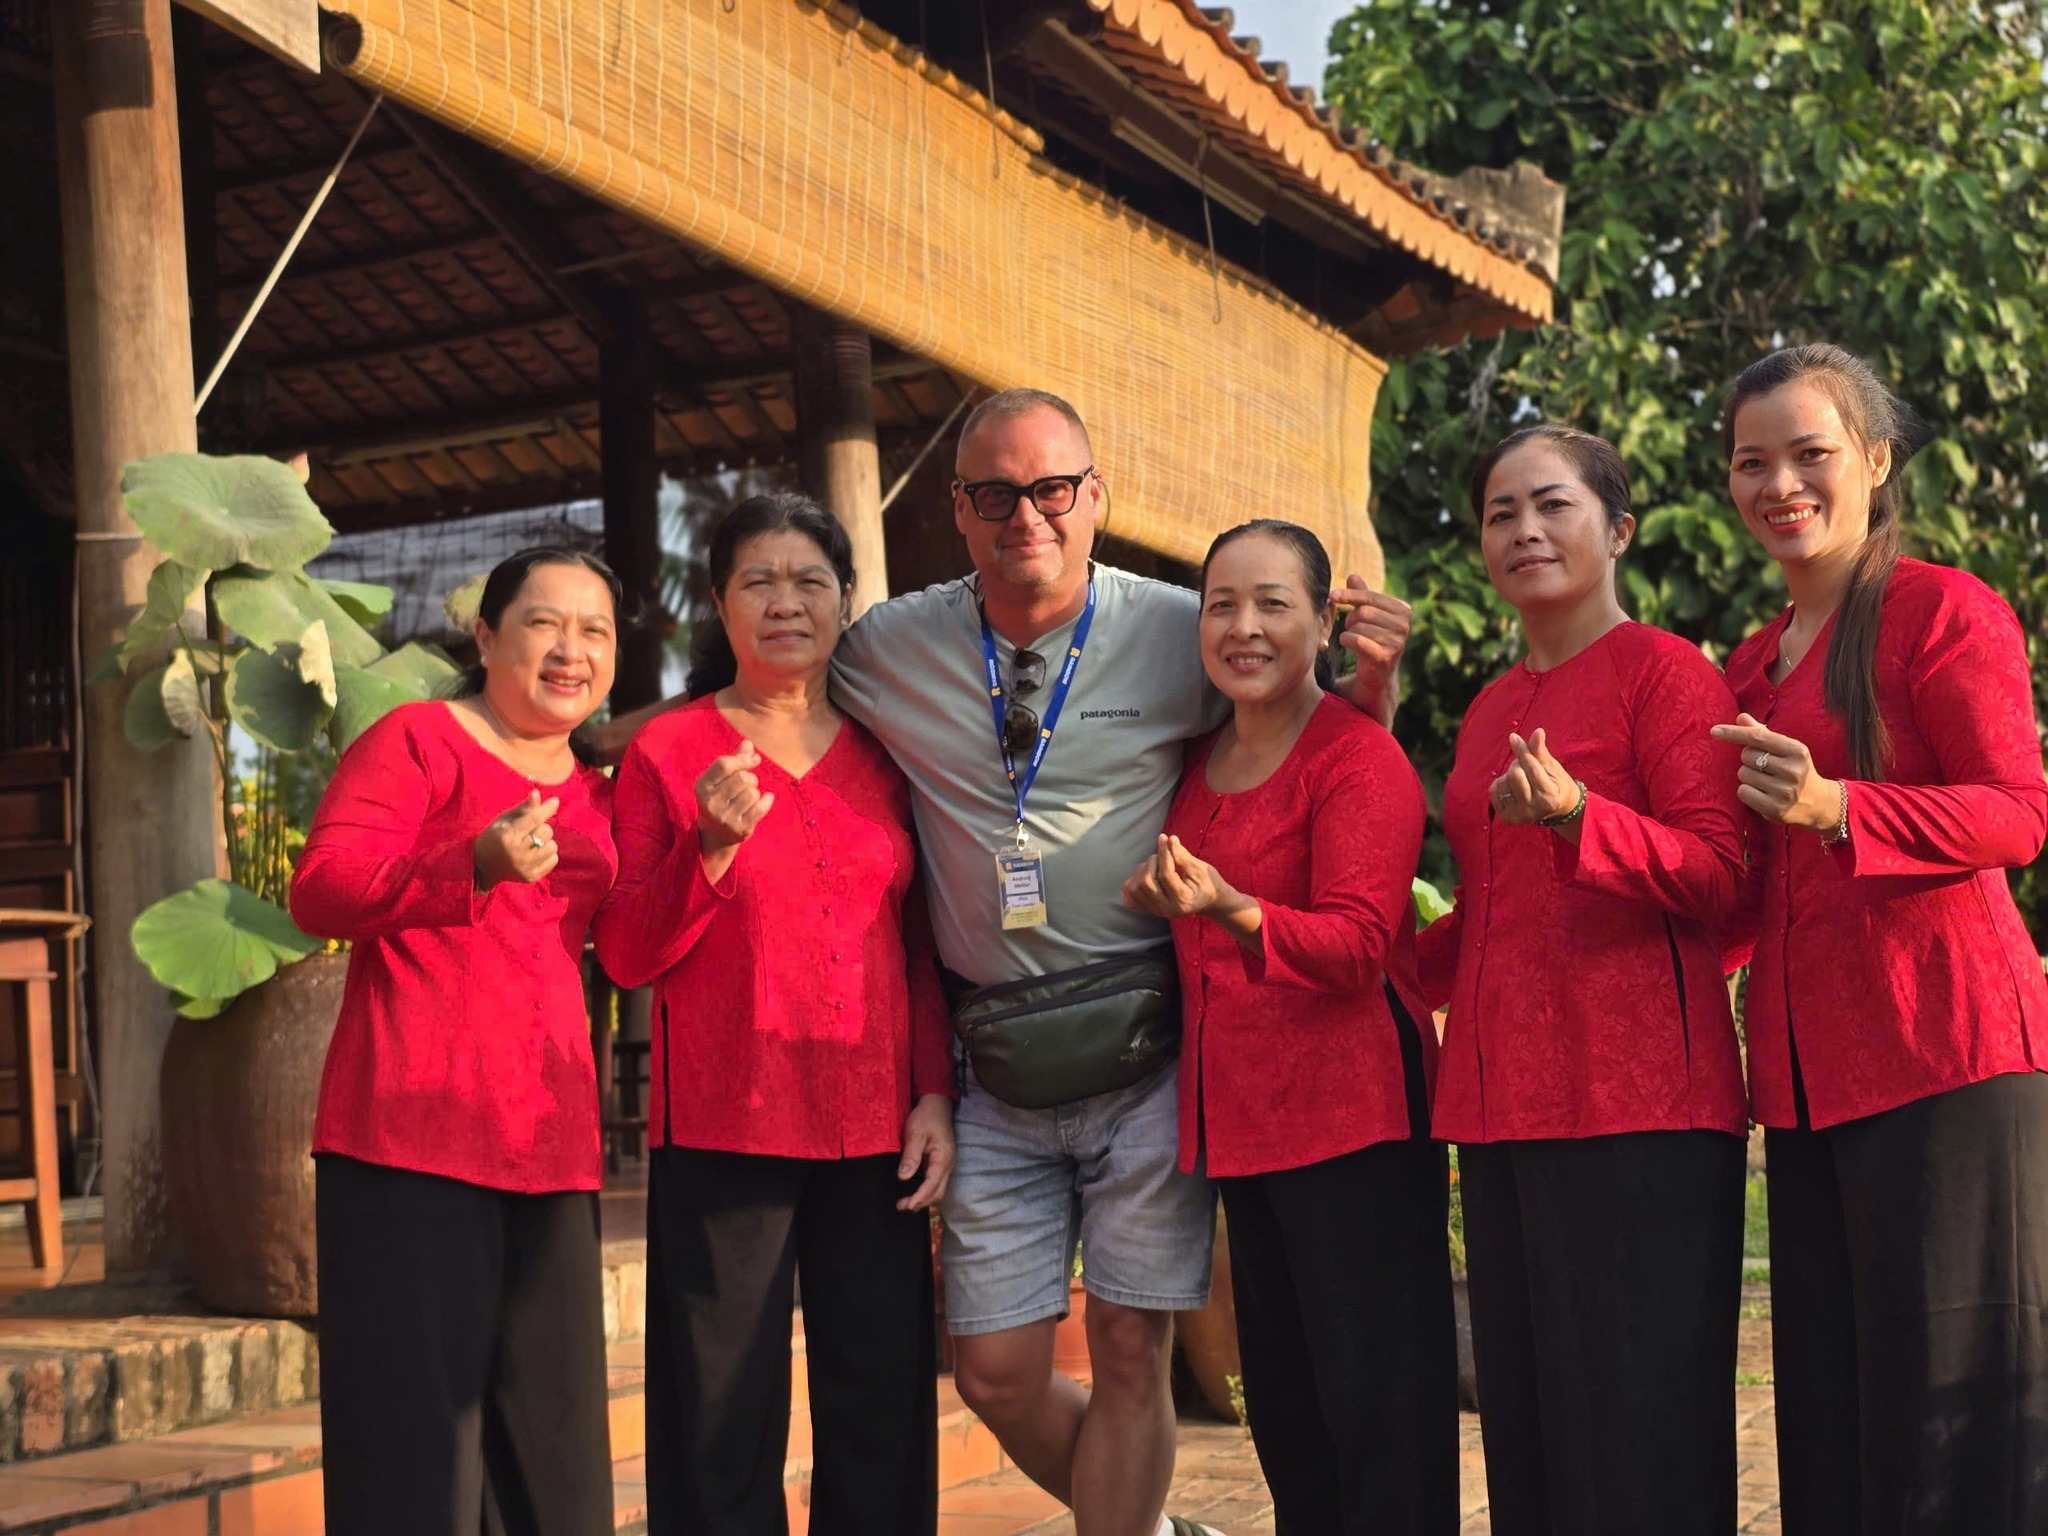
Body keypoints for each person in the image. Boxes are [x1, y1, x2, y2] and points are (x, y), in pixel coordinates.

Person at [592, 388, 1411, 1536]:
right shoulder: (887, 647)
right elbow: (772, 692)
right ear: (958, 510)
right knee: (990, 1370)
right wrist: (594, 742)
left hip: (1143, 1042)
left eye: (1051, 489)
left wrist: (1369, 690)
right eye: (994, 493)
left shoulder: (1184, 630)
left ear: (1094, 498)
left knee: (1125, 1341)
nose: (1026, 514)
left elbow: (1290, 718)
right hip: (988, 1059)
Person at [1709, 344, 2048, 1534]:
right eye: (1751, 462)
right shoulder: (1749, 663)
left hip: (1943, 1052)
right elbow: (1742, 889)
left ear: (1873, 459)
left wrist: (1840, 808)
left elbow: (2015, 814)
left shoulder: (1940, 611)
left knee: (1947, 1411)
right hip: (1805, 1082)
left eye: (1809, 454)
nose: (1779, 485)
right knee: (1831, 1406)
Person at [592, 494, 956, 1536]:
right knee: (718, 1415)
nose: (784, 602)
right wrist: (706, 848)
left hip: (875, 1129)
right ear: (719, 604)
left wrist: (935, 1092)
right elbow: (624, 951)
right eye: (757, 581)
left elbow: (922, 944)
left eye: (808, 582)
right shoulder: (669, 752)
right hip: (724, 1123)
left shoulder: (891, 754)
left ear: (846, 600)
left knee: (880, 1407)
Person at [1419, 426, 1751, 1535]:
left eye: (1551, 505)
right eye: (1499, 513)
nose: (1523, 530)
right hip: (1498, 1107)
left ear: (1617, 531)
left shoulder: (1667, 673)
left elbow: (1721, 875)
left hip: (1641, 1106)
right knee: (1530, 1434)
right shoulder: (1485, 711)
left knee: (1640, 1435)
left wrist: (1576, 816)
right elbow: (1491, 912)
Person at [1121, 519, 1457, 1535]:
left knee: (1379, 1412)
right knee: (1287, 1414)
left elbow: (1358, 947)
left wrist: (1228, 907)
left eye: (1273, 604)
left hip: (1354, 1118)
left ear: (1324, 622)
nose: (1244, 627)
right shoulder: (1196, 758)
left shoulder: (1356, 757)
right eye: (1221, 605)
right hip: (1243, 1125)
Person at [291, 547, 622, 1536]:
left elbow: (633, 945)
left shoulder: (601, 792)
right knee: (411, 1462)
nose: (570, 650)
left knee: (556, 1465)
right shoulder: (417, 740)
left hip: (549, 1145)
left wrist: (715, 851)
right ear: (485, 636)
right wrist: (469, 863)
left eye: (595, 631)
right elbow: (320, 890)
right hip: (407, 1135)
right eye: (543, 623)